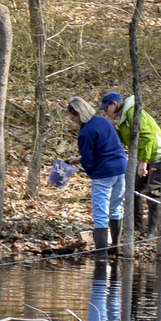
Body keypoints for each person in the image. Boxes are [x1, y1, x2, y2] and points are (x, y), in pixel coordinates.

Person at [66, 96, 128, 255]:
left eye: (73, 116)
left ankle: (101, 256)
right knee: (116, 208)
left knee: (100, 213)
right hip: (120, 168)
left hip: (103, 173)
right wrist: (79, 160)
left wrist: (90, 171)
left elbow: (89, 160)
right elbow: (106, 147)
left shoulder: (85, 133)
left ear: (80, 113)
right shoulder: (104, 121)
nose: (72, 120)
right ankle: (115, 246)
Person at [100, 91, 161, 233]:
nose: (105, 112)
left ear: (114, 104)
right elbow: (124, 139)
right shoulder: (122, 120)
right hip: (146, 156)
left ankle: (152, 232)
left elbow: (148, 137)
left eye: (106, 108)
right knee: (133, 190)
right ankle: (137, 227)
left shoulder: (133, 112)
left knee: (153, 193)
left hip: (158, 155)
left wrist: (143, 162)